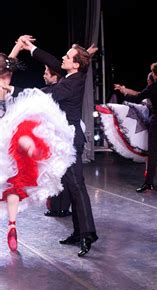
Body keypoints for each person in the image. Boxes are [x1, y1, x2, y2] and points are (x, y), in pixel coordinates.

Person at [17, 35, 99, 256]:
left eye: (68, 56)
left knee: (77, 186)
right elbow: (54, 62)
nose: (63, 58)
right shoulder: (72, 74)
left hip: (71, 142)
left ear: (75, 64)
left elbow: (50, 94)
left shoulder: (72, 83)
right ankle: (77, 232)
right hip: (63, 141)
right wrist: (31, 47)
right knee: (70, 188)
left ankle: (87, 235)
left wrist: (22, 94)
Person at [0, 52, 75, 252]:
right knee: (13, 184)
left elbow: (8, 62)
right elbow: (9, 64)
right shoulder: (6, 78)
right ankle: (12, 224)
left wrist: (16, 47)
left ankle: (28, 143)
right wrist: (18, 45)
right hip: (9, 126)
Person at [114, 49, 157, 193]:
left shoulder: (152, 88)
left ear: (154, 74)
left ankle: (149, 183)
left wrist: (123, 94)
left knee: (153, 154)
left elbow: (137, 97)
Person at [41, 65, 73, 217]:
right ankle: (59, 207)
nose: (44, 75)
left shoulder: (53, 91)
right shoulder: (59, 89)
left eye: (46, 73)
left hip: (59, 138)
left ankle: (58, 207)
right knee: (59, 172)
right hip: (60, 137)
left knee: (58, 173)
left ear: (55, 77)